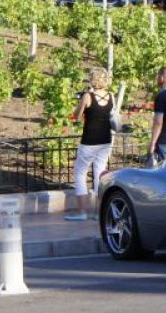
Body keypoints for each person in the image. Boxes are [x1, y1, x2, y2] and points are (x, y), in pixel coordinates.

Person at [65, 67, 114, 221]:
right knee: (100, 174)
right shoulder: (111, 96)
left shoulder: (87, 96)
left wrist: (80, 103)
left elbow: (76, 116)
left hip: (89, 140)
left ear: (92, 79)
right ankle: (99, 212)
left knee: (80, 173)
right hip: (105, 140)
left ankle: (82, 212)